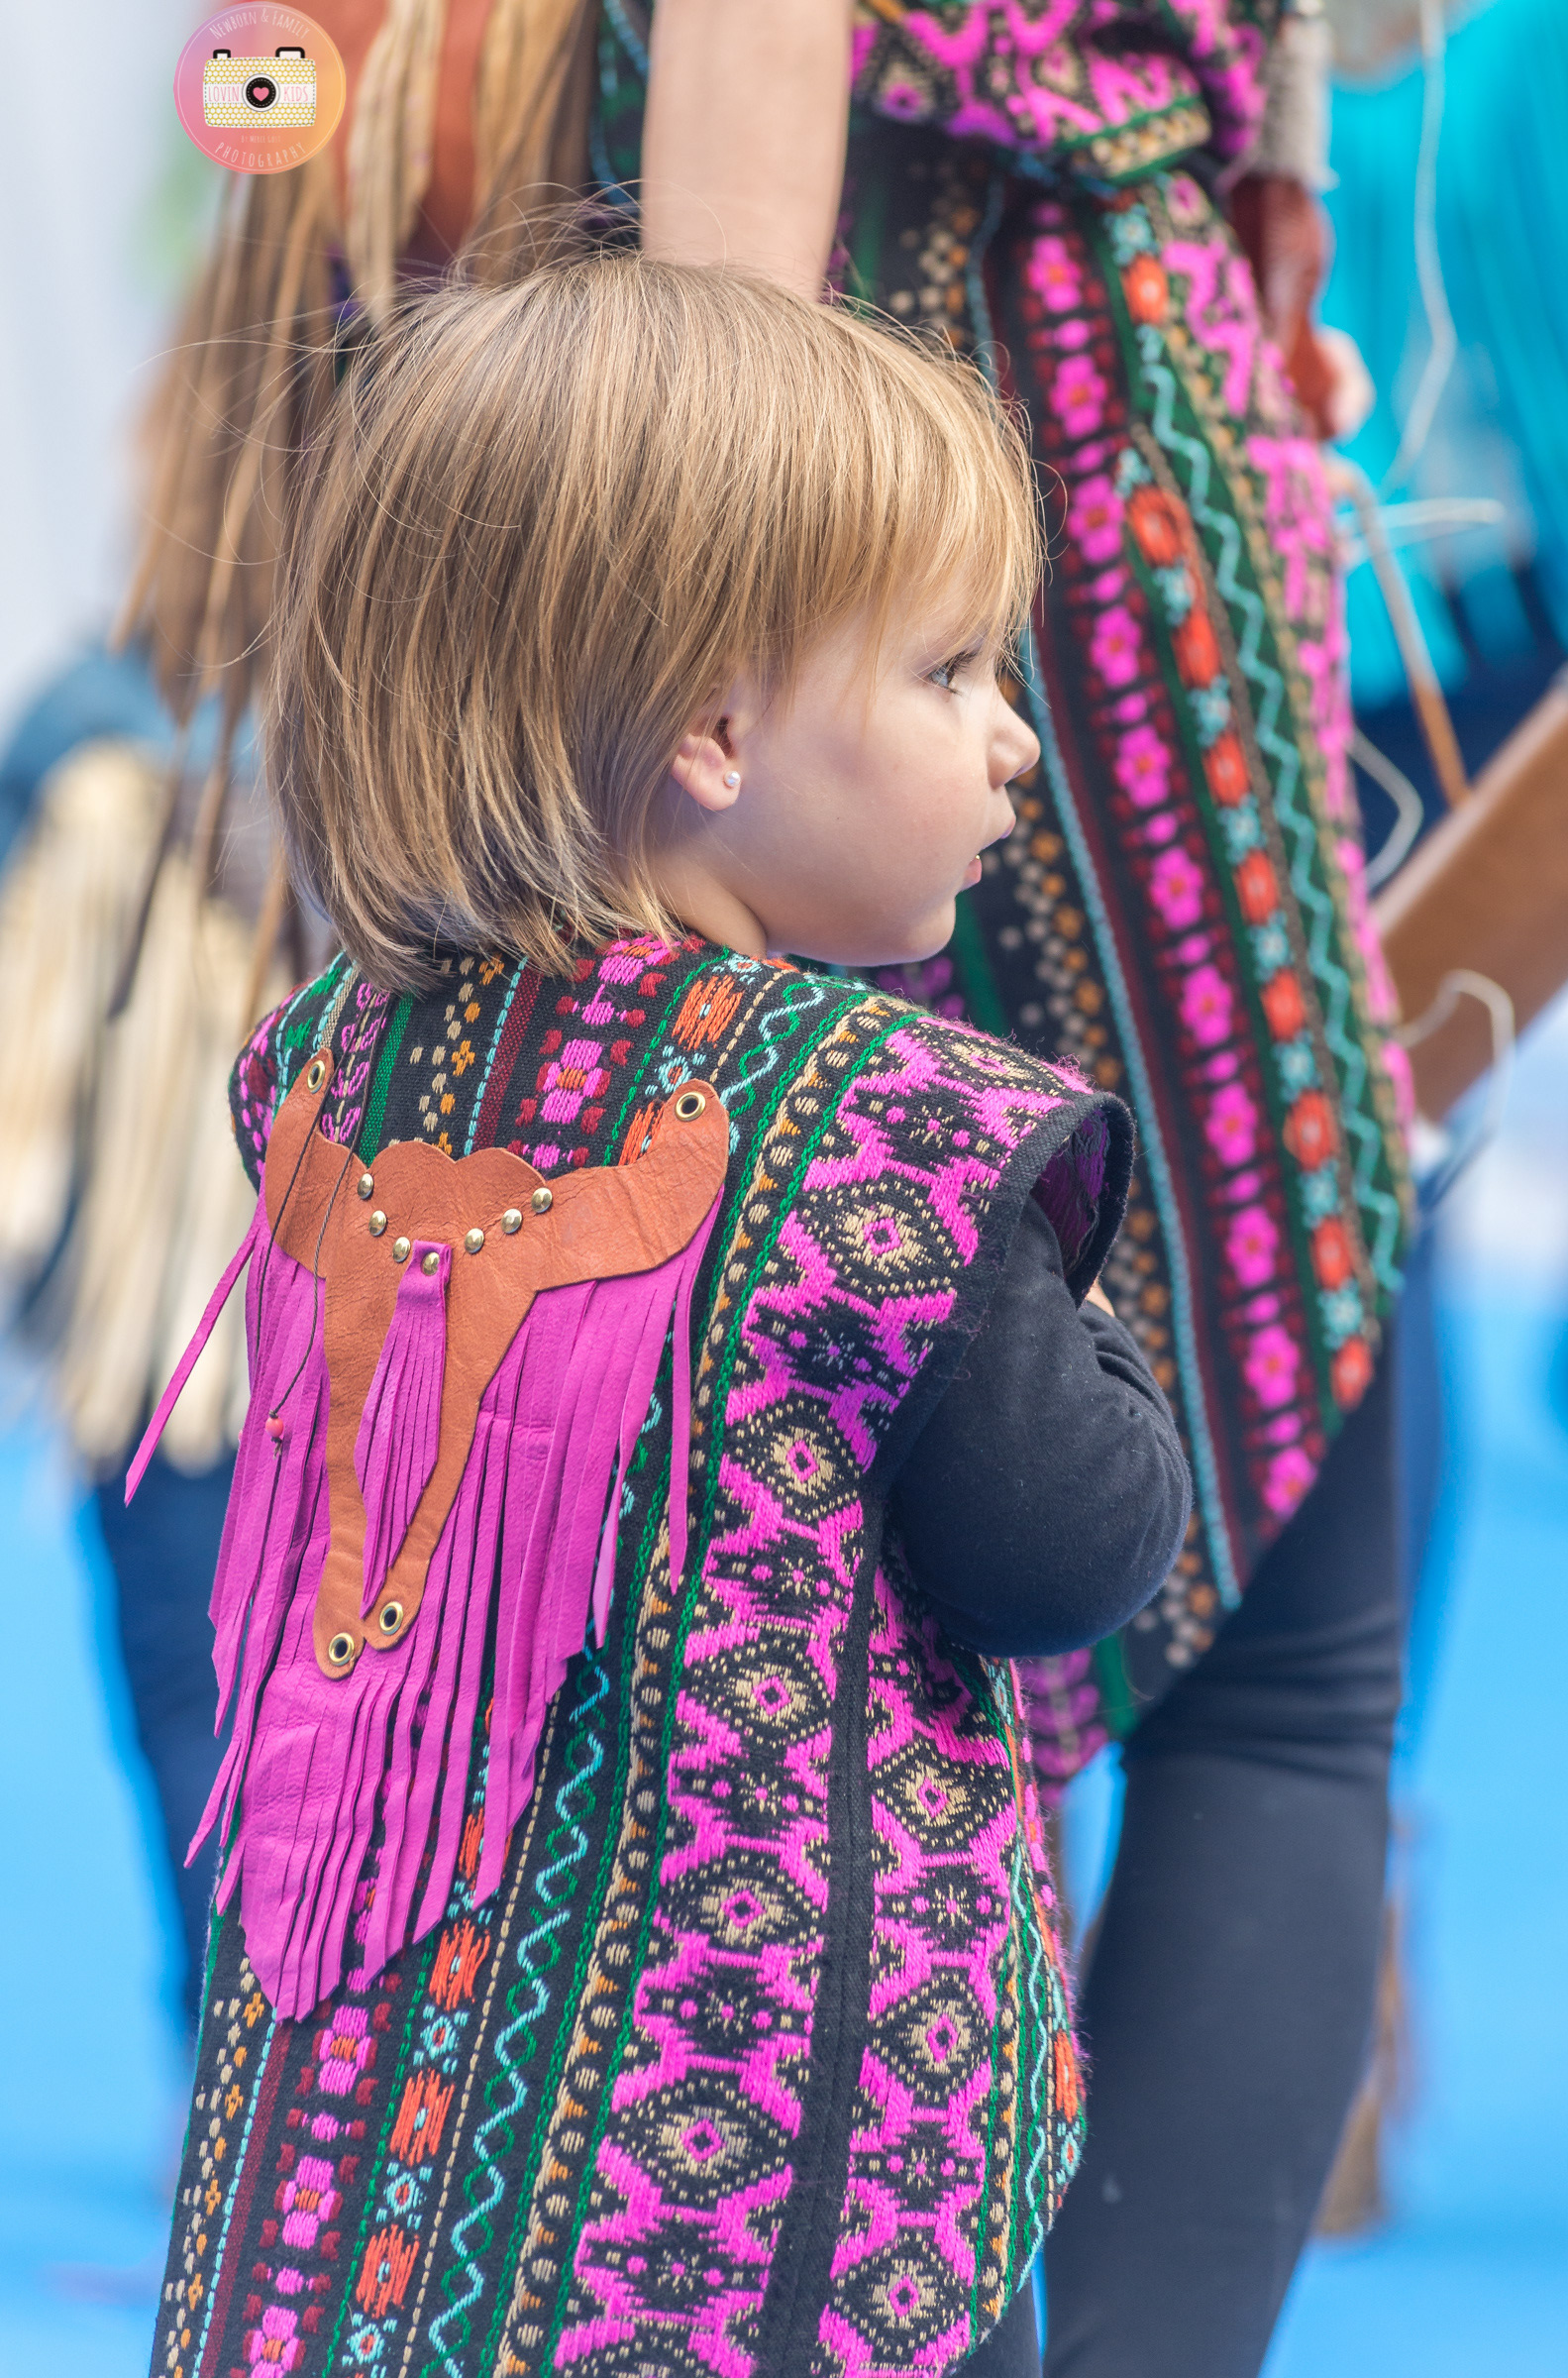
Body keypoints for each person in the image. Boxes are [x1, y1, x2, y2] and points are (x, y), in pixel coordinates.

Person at [147, 253, 1192, 2378]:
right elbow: (1067, 1549)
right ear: (714, 731)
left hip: (371, 2126)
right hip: (765, 2167)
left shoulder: (338, 1063)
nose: (1011, 739)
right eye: (949, 670)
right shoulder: (891, 1123)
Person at [602, 0, 1414, 2369]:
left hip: (903, 608)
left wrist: (716, 694)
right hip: (1112, 584)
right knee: (1240, 1652)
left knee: (843, 1618)